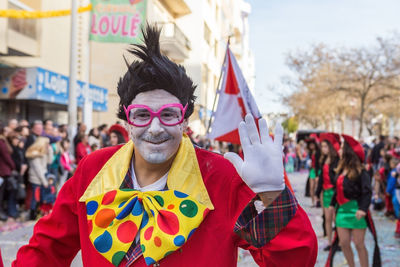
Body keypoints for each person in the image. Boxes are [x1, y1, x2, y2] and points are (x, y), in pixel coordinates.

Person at [10, 25, 317, 266]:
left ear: (184, 121)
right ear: (127, 121)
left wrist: (273, 195)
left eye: (168, 115)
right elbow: (46, 250)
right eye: (142, 115)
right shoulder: (94, 168)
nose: (155, 128)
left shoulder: (221, 175)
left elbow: (293, 261)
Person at [327, 134, 380, 267]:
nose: (339, 150)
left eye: (342, 148)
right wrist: (332, 205)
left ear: (348, 152)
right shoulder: (339, 169)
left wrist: (363, 209)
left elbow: (367, 192)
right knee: (344, 243)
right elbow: (337, 189)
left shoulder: (362, 172)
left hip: (356, 211)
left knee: (359, 244)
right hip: (342, 212)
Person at [315, 132, 340, 251]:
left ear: (330, 147)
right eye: (322, 146)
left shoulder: (337, 160)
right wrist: (317, 193)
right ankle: (330, 242)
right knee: (327, 218)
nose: (323, 149)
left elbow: (339, 179)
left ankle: (339, 242)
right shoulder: (323, 159)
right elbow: (321, 178)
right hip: (325, 193)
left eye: (325, 146)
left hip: (335, 193)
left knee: (336, 219)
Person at [25, 136, 52, 220]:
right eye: (47, 144)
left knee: (41, 197)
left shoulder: (43, 152)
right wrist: (44, 181)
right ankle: (32, 215)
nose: (48, 145)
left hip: (42, 177)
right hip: (36, 178)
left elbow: (49, 162)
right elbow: (38, 169)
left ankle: (38, 213)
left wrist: (50, 151)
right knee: (35, 197)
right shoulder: (34, 154)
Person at [0, 125, 16, 221]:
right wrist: (13, 166)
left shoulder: (3, 141)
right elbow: (6, 156)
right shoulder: (1, 142)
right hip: (2, 172)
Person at [306, 134, 321, 206]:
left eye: (312, 145)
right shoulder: (310, 152)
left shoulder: (319, 152)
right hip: (312, 170)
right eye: (310, 145)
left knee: (317, 187)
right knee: (311, 187)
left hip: (318, 171)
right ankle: (313, 202)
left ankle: (318, 202)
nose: (311, 146)